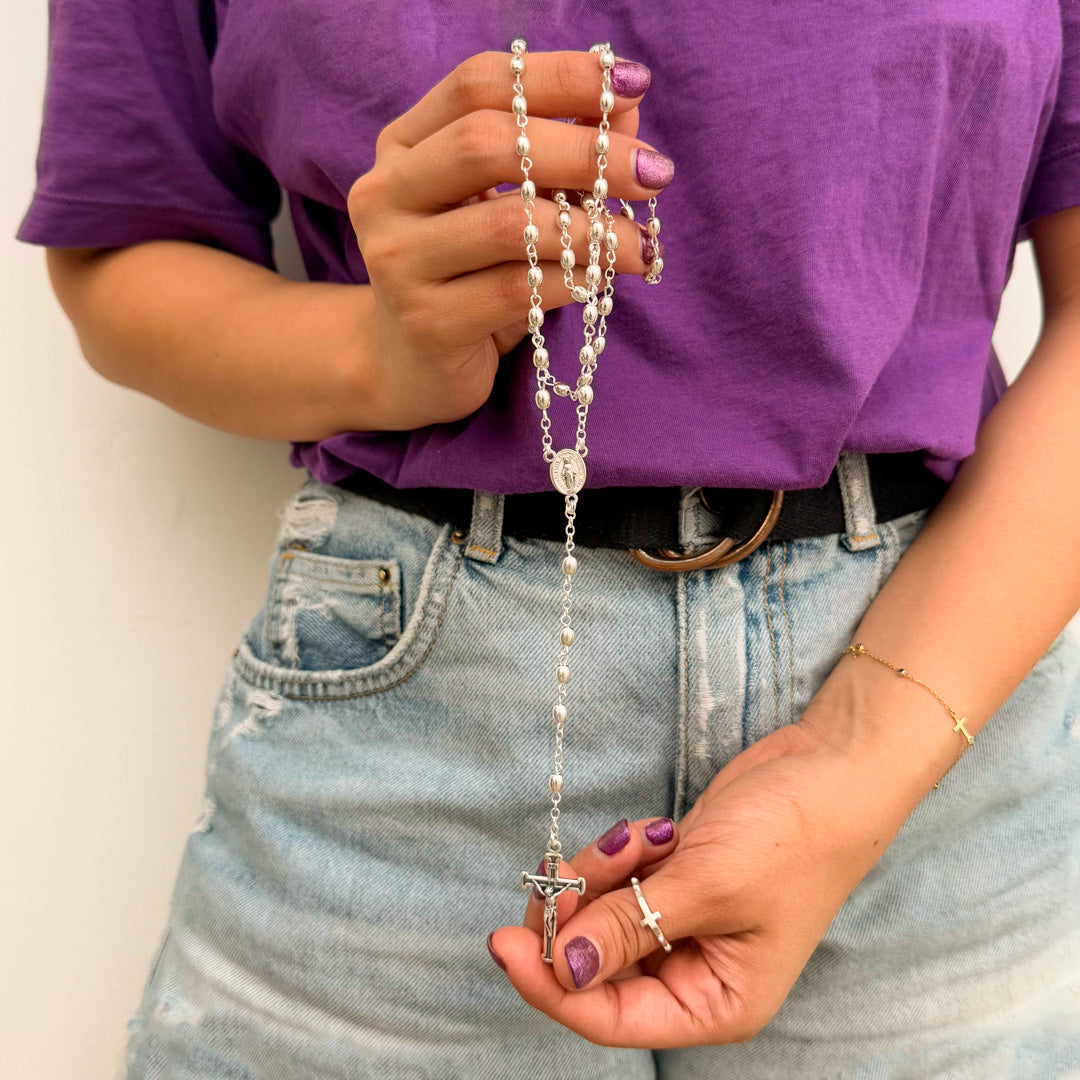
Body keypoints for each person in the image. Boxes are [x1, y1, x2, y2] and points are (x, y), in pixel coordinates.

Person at [14, 2, 1080, 1077]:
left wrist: (860, 758)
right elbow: (124, 248)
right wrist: (379, 354)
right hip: (409, 744)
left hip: (937, 699)